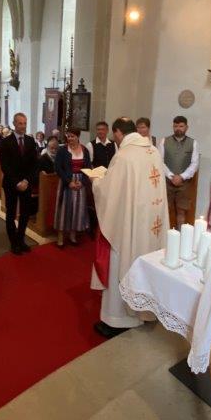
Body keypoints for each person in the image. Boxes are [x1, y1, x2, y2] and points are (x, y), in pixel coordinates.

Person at [89, 118, 169, 338]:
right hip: (151, 222)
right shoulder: (153, 151)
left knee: (121, 263)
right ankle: (145, 310)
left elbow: (109, 192)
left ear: (117, 133)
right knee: (146, 263)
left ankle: (118, 319)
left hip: (129, 224)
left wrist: (97, 181)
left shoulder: (124, 156)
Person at [0, 113, 38, 255]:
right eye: (20, 123)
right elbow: (5, 165)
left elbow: (34, 164)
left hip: (26, 183)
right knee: (11, 214)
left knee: (25, 213)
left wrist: (26, 181)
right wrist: (17, 182)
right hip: (11, 184)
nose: (23, 126)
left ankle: (21, 240)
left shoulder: (30, 141)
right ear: (14, 124)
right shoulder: (6, 142)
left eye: (25, 123)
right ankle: (13, 242)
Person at [158, 115, 200, 227]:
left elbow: (194, 163)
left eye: (181, 126)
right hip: (167, 182)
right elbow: (160, 161)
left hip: (184, 183)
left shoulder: (193, 143)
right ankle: (165, 234)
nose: (178, 128)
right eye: (176, 126)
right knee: (165, 210)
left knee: (181, 211)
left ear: (186, 127)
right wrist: (171, 176)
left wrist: (181, 177)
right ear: (173, 127)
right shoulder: (164, 141)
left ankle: (180, 234)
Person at [54, 128, 92, 247]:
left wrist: (83, 182)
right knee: (64, 209)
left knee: (77, 209)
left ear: (78, 136)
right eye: (68, 136)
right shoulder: (62, 150)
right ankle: (60, 237)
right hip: (66, 182)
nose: (70, 138)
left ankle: (72, 235)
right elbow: (58, 168)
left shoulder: (84, 150)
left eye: (72, 136)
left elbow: (88, 167)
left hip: (80, 182)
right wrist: (69, 182)